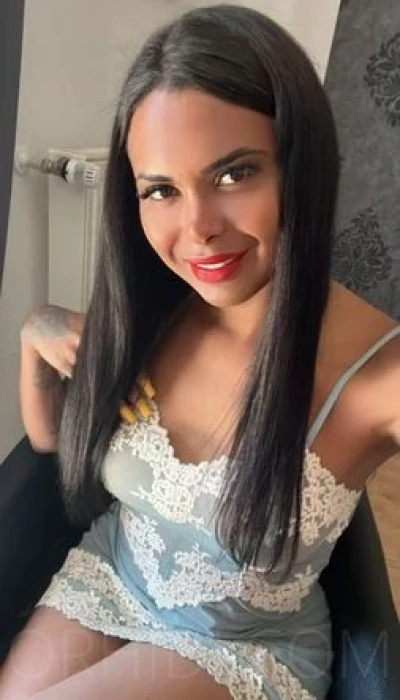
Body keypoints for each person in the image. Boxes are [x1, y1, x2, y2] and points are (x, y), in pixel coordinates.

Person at [0, 4, 399, 699]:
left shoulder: (379, 375)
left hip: (239, 642)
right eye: (161, 189)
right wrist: (36, 331)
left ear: (299, 166)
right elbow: (51, 444)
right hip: (114, 575)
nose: (197, 229)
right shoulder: (159, 307)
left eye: (235, 174)